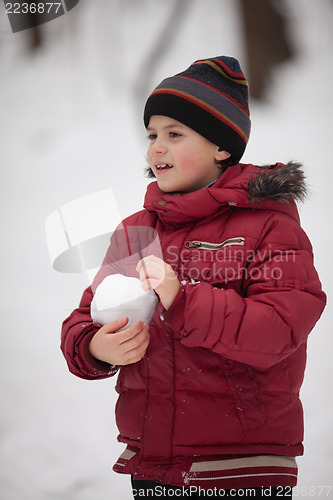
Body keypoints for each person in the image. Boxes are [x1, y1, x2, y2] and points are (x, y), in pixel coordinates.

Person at [61, 56, 326, 499]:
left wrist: (184, 300)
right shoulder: (137, 230)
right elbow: (87, 314)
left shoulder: (270, 227)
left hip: (242, 464)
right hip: (152, 461)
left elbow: (279, 329)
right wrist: (94, 346)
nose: (155, 149)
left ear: (221, 146)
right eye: (151, 135)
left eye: (173, 134)